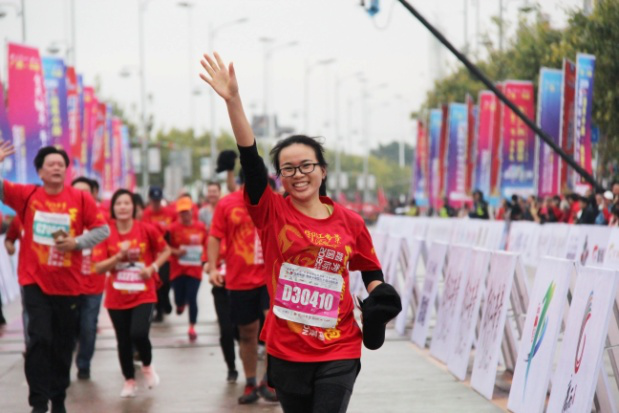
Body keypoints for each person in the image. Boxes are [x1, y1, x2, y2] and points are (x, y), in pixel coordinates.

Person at [200, 52, 401, 413]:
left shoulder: (350, 222)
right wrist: (233, 100)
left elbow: (369, 268)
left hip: (339, 344)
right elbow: (250, 157)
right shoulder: (271, 212)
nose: (298, 173)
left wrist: (379, 296)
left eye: (306, 165)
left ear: (322, 171)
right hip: (287, 348)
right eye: (288, 168)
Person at [0, 143, 110, 413]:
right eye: (51, 164)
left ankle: (58, 397)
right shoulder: (27, 195)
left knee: (63, 344)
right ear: (39, 171)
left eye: (61, 164)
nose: (57, 167)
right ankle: (38, 402)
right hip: (34, 280)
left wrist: (77, 242)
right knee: (39, 339)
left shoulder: (81, 199)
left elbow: (102, 230)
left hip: (69, 285)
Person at [207, 167, 277, 404]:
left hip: (270, 278)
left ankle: (269, 380)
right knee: (247, 334)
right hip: (239, 280)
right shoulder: (227, 204)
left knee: (273, 328)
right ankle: (250, 383)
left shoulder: (275, 201)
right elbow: (215, 236)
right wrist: (214, 268)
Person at [92, 189, 171, 398]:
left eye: (127, 203)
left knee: (138, 333)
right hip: (116, 297)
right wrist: (118, 256)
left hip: (143, 292)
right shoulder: (105, 233)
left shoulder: (147, 229)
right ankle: (129, 380)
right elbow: (98, 267)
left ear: (134, 207)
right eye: (118, 204)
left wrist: (152, 268)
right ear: (113, 209)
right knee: (123, 340)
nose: (123, 207)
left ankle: (146, 365)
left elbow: (166, 251)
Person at [70, 177, 106, 381]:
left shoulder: (102, 219)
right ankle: (64, 363)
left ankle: (84, 365)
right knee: (69, 327)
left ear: (93, 194)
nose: (81, 196)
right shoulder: (64, 216)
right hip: (68, 285)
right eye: (77, 192)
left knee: (88, 326)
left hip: (93, 284)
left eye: (86, 192)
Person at [168, 196, 208, 341]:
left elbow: (207, 244)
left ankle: (192, 327)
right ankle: (180, 304)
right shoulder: (172, 228)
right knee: (179, 299)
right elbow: (164, 247)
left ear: (192, 211)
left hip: (195, 270)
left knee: (192, 298)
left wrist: (204, 257)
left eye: (187, 211)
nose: (185, 215)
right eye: (182, 212)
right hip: (177, 270)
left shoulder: (201, 227)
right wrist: (176, 252)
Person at [142, 186, 174, 321]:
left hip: (166, 253)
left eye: (158, 200)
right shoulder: (145, 214)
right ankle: (158, 310)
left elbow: (175, 228)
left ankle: (165, 301)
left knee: (165, 282)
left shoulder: (169, 212)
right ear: (149, 199)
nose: (156, 203)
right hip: (151, 254)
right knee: (156, 283)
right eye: (153, 200)